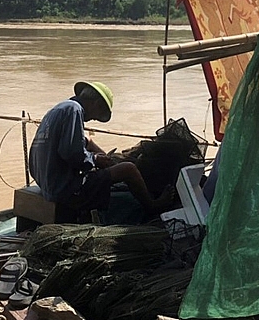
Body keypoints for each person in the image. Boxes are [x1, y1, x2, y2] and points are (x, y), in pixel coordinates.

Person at [28, 81, 174, 222]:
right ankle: (153, 205)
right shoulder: (75, 110)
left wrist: (106, 159)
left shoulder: (59, 109)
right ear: (96, 103)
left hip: (47, 184)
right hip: (64, 190)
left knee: (92, 146)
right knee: (129, 169)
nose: (92, 120)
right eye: (95, 116)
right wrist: (95, 160)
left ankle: (111, 165)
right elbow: (73, 154)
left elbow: (84, 143)